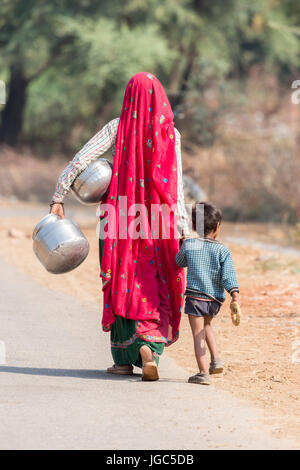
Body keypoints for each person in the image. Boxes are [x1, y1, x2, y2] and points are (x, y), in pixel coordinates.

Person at [50, 72, 190, 381]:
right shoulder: (172, 134)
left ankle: (123, 359)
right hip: (158, 222)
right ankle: (150, 345)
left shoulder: (118, 127)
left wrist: (59, 196)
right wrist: (183, 229)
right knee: (155, 279)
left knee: (122, 280)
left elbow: (80, 161)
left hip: (119, 220)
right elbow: (176, 186)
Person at [175, 202, 240, 385]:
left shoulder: (190, 244)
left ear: (195, 226)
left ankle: (203, 372)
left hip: (195, 297)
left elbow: (179, 262)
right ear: (217, 227)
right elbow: (228, 275)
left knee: (198, 333)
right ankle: (216, 359)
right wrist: (234, 294)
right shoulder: (222, 250)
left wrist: (183, 243)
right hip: (214, 299)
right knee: (208, 326)